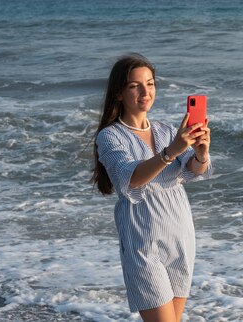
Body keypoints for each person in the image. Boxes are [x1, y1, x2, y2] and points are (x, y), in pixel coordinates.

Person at [91, 53, 213, 322]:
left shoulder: (167, 131)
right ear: (119, 93)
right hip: (143, 244)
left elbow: (194, 172)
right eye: (135, 85)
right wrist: (172, 152)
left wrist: (201, 154)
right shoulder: (110, 136)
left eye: (150, 84)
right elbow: (130, 178)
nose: (145, 92)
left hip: (180, 237)